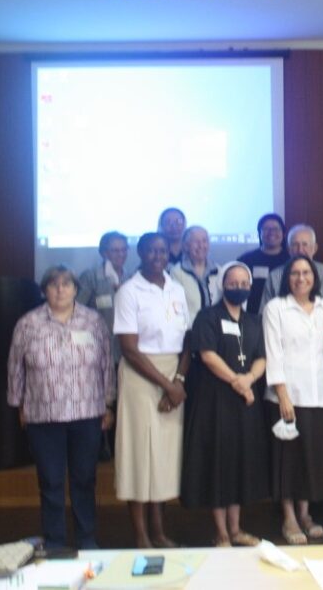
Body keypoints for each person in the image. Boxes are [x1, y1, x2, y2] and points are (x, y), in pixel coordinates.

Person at [7, 265, 115, 549]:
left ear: (76, 289)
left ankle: (86, 539)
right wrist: (18, 404)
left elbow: (106, 364)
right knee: (51, 482)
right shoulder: (28, 323)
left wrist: (108, 403)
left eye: (66, 284)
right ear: (44, 290)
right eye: (53, 285)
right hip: (43, 415)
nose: (60, 290)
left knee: (84, 480)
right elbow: (15, 366)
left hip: (87, 413)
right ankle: (55, 542)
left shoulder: (93, 321)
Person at [112, 233, 191, 548]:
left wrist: (179, 381)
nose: (158, 256)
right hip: (141, 375)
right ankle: (141, 535)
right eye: (151, 251)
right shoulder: (129, 291)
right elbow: (129, 349)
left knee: (162, 457)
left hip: (173, 373)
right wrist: (168, 386)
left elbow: (187, 340)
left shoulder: (176, 288)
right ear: (141, 253)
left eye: (163, 251)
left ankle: (159, 531)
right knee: (139, 455)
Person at [180, 261, 267, 547]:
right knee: (218, 464)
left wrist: (249, 378)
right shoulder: (207, 316)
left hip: (244, 403)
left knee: (238, 463)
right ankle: (221, 532)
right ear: (222, 285)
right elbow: (207, 355)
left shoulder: (253, 320)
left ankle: (236, 529)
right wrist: (238, 382)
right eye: (233, 283)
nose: (238, 287)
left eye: (244, 283)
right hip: (215, 401)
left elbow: (261, 357)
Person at [263, 256, 323, 545]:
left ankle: (305, 514)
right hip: (287, 397)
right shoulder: (276, 308)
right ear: (287, 278)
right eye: (294, 273)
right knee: (288, 461)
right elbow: (273, 353)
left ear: (315, 277)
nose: (301, 278)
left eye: (306, 272)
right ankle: (289, 518)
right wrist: (283, 395)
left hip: (319, 395)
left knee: (310, 459)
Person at [261, 224, 323, 314]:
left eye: (305, 244)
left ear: (315, 248)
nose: (300, 250)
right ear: (289, 249)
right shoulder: (274, 277)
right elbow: (264, 313)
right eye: (295, 245)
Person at [77, 231, 130, 365]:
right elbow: (77, 310)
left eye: (124, 249)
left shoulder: (131, 277)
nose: (121, 254)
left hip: (125, 349)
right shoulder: (91, 276)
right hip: (96, 347)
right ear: (104, 253)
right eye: (115, 251)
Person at [237, 213, 290, 314]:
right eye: (266, 229)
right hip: (253, 315)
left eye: (276, 229)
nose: (271, 232)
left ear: (283, 233)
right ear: (259, 233)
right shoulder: (245, 260)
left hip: (285, 314)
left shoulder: (291, 260)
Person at [169, 226, 221, 322]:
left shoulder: (218, 270)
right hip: (190, 326)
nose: (201, 246)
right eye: (196, 242)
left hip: (216, 326)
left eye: (204, 241)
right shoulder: (177, 272)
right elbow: (176, 307)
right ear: (186, 246)